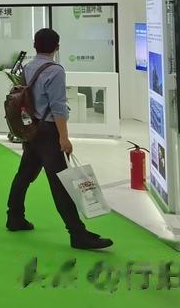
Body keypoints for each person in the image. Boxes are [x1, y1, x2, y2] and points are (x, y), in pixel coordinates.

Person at [7, 29, 113, 250]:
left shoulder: (29, 67)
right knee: (60, 184)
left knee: (24, 175)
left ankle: (14, 216)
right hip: (48, 131)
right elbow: (57, 107)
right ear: (57, 47)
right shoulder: (55, 71)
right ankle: (77, 234)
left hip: (32, 129)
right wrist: (64, 137)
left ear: (35, 45)